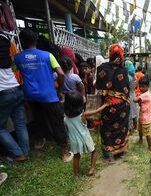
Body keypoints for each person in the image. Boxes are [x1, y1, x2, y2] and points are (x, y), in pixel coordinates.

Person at [14, 29, 73, 162]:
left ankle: (40, 140)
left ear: (22, 42)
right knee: (57, 121)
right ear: (36, 41)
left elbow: (15, 75)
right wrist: (59, 89)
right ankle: (64, 152)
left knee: (38, 118)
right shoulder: (47, 56)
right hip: (48, 94)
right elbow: (61, 73)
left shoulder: (17, 58)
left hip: (30, 95)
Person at [96, 44, 130, 162]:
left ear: (110, 54)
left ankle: (109, 154)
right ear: (121, 56)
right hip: (123, 106)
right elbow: (126, 90)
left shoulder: (101, 68)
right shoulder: (124, 70)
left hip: (108, 105)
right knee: (121, 128)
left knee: (107, 128)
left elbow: (99, 90)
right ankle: (120, 152)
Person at [64, 92, 109, 176]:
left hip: (73, 139)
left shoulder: (65, 117)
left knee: (76, 156)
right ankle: (91, 169)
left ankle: (76, 175)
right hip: (85, 137)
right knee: (94, 151)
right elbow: (96, 111)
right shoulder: (82, 115)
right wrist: (105, 105)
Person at [0, 33, 29, 161]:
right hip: (16, 89)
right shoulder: (7, 61)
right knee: (20, 123)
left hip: (3, 94)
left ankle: (18, 153)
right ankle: (25, 151)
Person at [134, 77, 151, 151]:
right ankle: (140, 140)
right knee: (140, 130)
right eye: (140, 86)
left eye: (143, 86)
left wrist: (132, 94)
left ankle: (150, 147)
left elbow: (135, 100)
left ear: (147, 86)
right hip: (142, 116)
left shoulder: (146, 94)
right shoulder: (143, 94)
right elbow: (140, 103)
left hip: (146, 118)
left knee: (147, 133)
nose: (141, 88)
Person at [125, 59, 137, 131]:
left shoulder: (127, 76)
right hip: (133, 94)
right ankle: (135, 126)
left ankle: (130, 127)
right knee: (133, 112)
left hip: (128, 95)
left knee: (129, 112)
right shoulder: (134, 76)